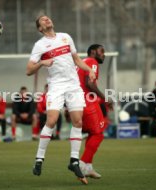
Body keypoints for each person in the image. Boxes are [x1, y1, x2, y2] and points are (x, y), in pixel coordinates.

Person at [26, 15, 96, 184]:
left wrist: (90, 71)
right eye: (43, 20)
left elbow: (77, 59)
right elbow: (29, 70)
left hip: (73, 85)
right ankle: (39, 158)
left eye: (47, 18)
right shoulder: (40, 45)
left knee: (78, 122)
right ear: (40, 28)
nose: (47, 20)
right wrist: (42, 63)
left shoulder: (66, 37)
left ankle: (74, 161)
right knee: (51, 120)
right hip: (56, 86)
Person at [77, 44, 107, 179]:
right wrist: (104, 98)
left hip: (77, 102)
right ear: (93, 52)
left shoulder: (82, 62)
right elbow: (89, 83)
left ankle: (88, 167)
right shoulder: (92, 62)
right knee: (98, 133)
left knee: (92, 132)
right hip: (87, 102)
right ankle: (81, 164)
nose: (104, 54)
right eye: (102, 51)